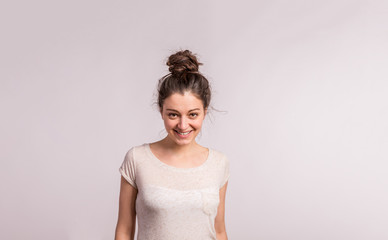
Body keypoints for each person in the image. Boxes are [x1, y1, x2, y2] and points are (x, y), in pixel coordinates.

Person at [114, 50, 230, 240]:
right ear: (161, 111)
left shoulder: (219, 163)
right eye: (173, 114)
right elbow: (124, 231)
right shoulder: (137, 159)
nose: (183, 125)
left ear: (204, 112)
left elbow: (219, 231)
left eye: (193, 114)